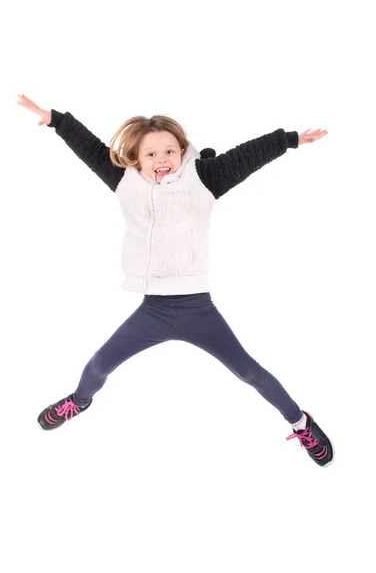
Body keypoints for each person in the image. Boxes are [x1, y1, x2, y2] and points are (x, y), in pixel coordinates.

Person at [17, 94, 333, 467]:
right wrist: (55, 119)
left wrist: (290, 139)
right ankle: (79, 402)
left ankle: (301, 422)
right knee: (99, 366)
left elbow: (250, 155)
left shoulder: (204, 178)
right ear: (136, 159)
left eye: (169, 151)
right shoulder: (124, 181)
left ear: (183, 152)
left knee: (249, 371)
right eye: (150, 154)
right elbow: (89, 147)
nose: (161, 159)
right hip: (153, 310)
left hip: (198, 309)